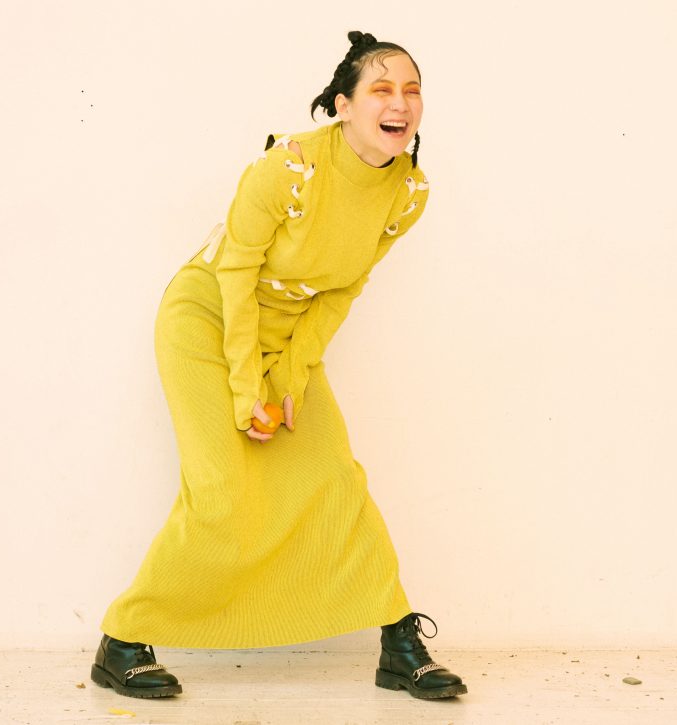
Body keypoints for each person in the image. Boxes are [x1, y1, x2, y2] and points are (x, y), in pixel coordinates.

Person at [90, 30, 467, 701]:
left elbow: (342, 289)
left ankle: (398, 643)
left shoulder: (408, 192)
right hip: (207, 321)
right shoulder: (289, 168)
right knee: (223, 491)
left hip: (287, 340)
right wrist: (246, 390)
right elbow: (235, 271)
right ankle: (123, 640)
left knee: (335, 480)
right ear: (343, 105)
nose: (401, 103)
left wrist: (288, 377)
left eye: (412, 90)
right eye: (381, 88)